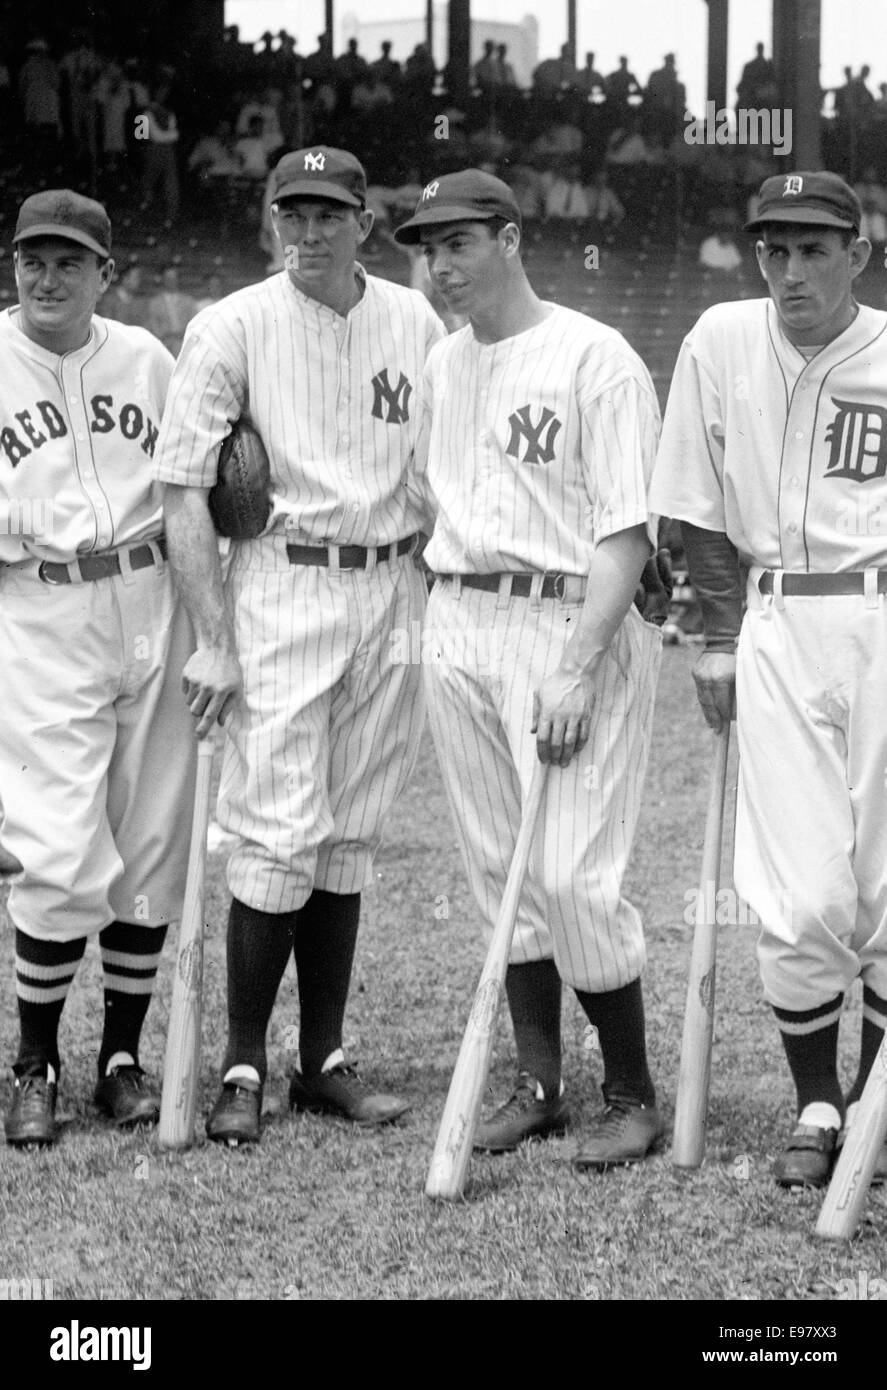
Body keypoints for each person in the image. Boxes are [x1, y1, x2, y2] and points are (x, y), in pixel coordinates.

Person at [153, 147, 445, 1146]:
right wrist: (212, 640)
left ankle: (321, 1059)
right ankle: (242, 1060)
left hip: (391, 580)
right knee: (277, 827)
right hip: (281, 577)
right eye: (293, 212)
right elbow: (185, 490)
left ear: (364, 219)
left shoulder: (412, 320)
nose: (308, 231)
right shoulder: (229, 323)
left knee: (348, 827)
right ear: (271, 218)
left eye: (329, 214)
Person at [393, 170, 665, 1169]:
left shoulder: (594, 356)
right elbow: (428, 503)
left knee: (570, 875)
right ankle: (542, 1085)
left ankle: (631, 1093)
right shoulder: (440, 364)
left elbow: (626, 530)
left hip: (562, 621)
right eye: (426, 248)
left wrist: (576, 664)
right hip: (458, 613)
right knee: (498, 866)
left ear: (508, 238)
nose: (440, 265)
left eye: (459, 242)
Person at [649, 172, 887, 1189]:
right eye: (771, 250)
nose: (787, 271)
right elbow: (692, 504)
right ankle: (817, 1103)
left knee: (883, 882)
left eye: (810, 250)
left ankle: (877, 1108)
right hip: (774, 618)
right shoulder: (716, 339)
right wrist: (710, 634)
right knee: (799, 891)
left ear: (857, 254)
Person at [0, 189, 196, 1147]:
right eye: (32, 258)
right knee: (56, 842)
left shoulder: (147, 360)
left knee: (151, 838)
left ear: (103, 274)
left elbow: (194, 484)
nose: (46, 278)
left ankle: (121, 1059)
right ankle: (34, 1063)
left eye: (68, 261)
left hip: (155, 598)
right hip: (40, 607)